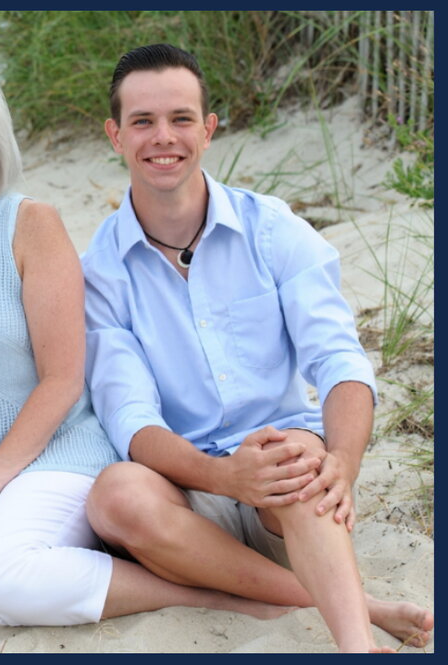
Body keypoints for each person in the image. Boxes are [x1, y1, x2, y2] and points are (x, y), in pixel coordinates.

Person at [0, 50, 287, 627]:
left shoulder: (30, 224)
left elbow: (63, 379)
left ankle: (217, 597)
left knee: (2, 574)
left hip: (54, 463)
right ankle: (55, 570)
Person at [80, 43, 434, 652]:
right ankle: (365, 606)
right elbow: (130, 417)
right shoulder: (100, 271)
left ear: (208, 129)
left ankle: (354, 645)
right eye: (143, 121)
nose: (163, 137)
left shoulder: (272, 229)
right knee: (115, 496)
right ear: (116, 135)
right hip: (190, 494)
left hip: (285, 485)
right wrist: (223, 477)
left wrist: (341, 464)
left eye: (180, 119)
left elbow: (339, 358)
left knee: (293, 456)